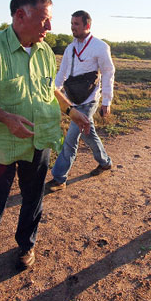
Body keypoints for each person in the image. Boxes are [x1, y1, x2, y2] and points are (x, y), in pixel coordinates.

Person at [0, 0, 90, 301]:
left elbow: (49, 88)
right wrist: (4, 117)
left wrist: (69, 109)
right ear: (21, 15)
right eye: (44, 20)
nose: (49, 28)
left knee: (33, 200)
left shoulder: (44, 51)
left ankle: (25, 246)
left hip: (38, 140)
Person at [45, 10, 115, 192]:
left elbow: (108, 73)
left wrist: (106, 101)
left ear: (87, 25)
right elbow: (62, 72)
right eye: (72, 23)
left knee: (71, 138)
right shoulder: (70, 48)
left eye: (76, 24)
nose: (72, 27)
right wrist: (53, 91)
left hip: (90, 99)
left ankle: (59, 178)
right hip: (73, 99)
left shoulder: (100, 47)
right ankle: (105, 162)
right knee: (87, 133)